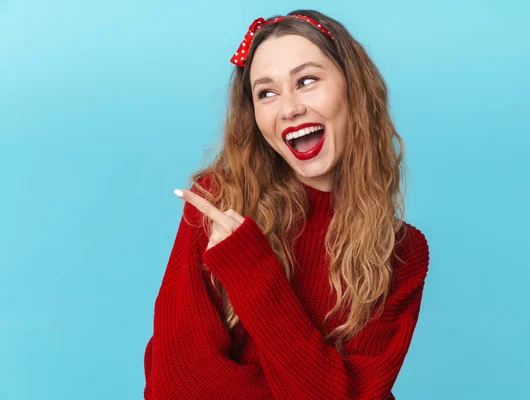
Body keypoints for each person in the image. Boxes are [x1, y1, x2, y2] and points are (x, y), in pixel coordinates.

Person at [143, 9, 430, 400]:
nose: (289, 107)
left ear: (354, 89)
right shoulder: (218, 203)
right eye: (267, 92)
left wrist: (252, 271)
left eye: (307, 80)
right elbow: (177, 387)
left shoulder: (402, 253)